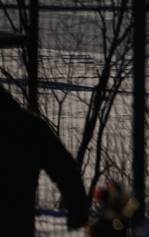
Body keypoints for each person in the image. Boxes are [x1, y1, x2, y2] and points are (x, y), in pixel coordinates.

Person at [0, 85, 90, 235]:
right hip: (18, 226)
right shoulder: (30, 128)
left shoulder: (29, 128)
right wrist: (78, 209)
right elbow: (65, 168)